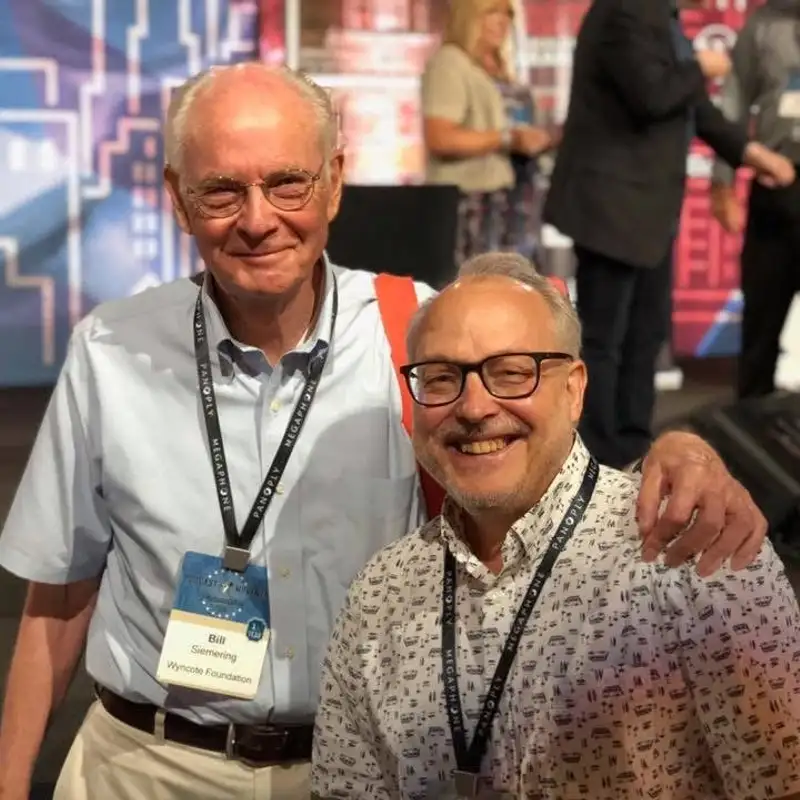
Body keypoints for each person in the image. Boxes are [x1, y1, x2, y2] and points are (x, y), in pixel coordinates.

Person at [0, 63, 769, 800]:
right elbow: (57, 595)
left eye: (288, 183)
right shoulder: (111, 352)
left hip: (367, 769)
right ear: (178, 197)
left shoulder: (419, 334)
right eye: (222, 191)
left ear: (335, 180)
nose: (258, 220)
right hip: (146, 768)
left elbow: (552, 476)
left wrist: (681, 448)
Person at [311, 252, 800, 800]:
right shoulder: (381, 591)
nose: (474, 407)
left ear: (574, 390)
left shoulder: (697, 552)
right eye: (443, 378)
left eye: (511, 373)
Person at [542, 0, 797, 469]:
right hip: (613, 207)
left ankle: (633, 446)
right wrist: (700, 65)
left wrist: (751, 154)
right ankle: (597, 455)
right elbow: (652, 95)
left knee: (645, 335)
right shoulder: (626, 10)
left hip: (648, 211)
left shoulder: (660, 14)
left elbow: (695, 107)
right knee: (604, 340)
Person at [421, 0, 556, 265]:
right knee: (479, 283)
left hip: (516, 202)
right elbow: (440, 137)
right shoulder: (450, 63)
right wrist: (508, 139)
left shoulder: (501, 69)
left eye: (507, 14)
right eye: (492, 12)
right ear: (469, 17)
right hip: (474, 206)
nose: (502, 21)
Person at [711, 0, 800, 399]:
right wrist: (722, 181)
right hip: (776, 183)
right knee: (760, 327)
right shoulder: (762, 25)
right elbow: (732, 103)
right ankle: (752, 425)